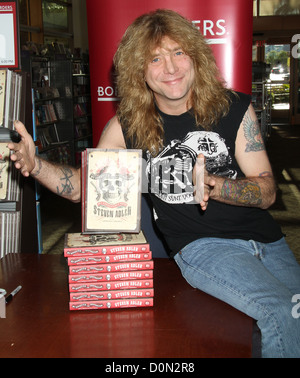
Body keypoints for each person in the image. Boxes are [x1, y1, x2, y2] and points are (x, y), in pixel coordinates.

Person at [9, 9, 300, 358]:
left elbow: (267, 192)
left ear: (195, 57)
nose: (171, 68)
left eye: (179, 52)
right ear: (139, 72)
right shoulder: (127, 127)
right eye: (155, 59)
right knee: (280, 310)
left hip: (268, 239)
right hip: (205, 245)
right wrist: (36, 164)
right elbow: (83, 190)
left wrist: (212, 185)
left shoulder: (233, 107)